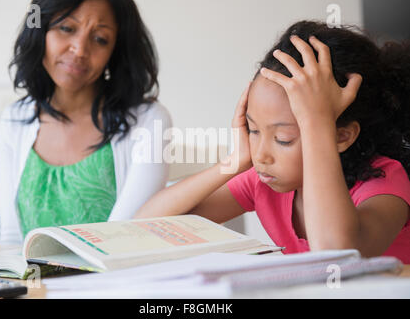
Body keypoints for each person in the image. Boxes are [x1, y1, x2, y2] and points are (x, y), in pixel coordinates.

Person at [135, 21, 410, 264]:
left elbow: (336, 254)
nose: (261, 155)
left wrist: (316, 122)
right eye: (254, 130)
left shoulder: (386, 183)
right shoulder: (262, 181)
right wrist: (234, 162)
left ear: (341, 136)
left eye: (283, 139)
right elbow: (146, 224)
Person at [0, 0, 171, 245]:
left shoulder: (149, 121)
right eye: (67, 28)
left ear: (115, 50)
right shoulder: (14, 119)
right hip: (33, 282)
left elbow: (121, 240)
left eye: (100, 39)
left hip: (113, 281)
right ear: (40, 30)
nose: (79, 50)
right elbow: (11, 239)